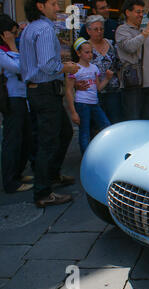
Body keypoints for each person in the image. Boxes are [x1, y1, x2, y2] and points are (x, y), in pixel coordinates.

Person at [20, 0, 79, 208]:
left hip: (37, 90)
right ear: (40, 6)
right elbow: (47, 65)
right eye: (53, 4)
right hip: (45, 91)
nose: (58, 8)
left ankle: (50, 176)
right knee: (49, 141)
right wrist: (67, 67)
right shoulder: (44, 28)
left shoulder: (30, 28)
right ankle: (43, 192)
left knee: (62, 133)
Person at [0, 14, 33, 193]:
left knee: (24, 137)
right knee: (12, 140)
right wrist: (13, 46)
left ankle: (18, 173)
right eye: (12, 33)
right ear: (4, 34)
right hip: (11, 98)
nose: (15, 35)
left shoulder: (9, 50)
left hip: (21, 97)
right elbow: (20, 67)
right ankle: (10, 181)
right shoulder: (2, 51)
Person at [65, 38, 113, 154]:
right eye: (86, 52)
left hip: (94, 103)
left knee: (106, 126)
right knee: (84, 132)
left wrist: (107, 79)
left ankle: (101, 152)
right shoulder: (74, 69)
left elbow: (98, 88)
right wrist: (73, 112)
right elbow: (68, 90)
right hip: (82, 104)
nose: (90, 55)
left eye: (91, 52)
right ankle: (86, 157)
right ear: (78, 53)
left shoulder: (94, 68)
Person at [115, 0, 149, 121]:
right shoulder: (122, 30)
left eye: (142, 12)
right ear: (128, 13)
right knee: (133, 121)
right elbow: (130, 47)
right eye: (138, 12)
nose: (141, 15)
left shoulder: (146, 32)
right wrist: (146, 32)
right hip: (132, 83)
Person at [84, 15, 122, 124]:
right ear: (88, 30)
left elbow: (118, 65)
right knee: (96, 125)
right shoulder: (85, 48)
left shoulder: (111, 44)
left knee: (114, 123)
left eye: (101, 29)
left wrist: (121, 84)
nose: (99, 32)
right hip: (94, 92)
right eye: (96, 29)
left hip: (113, 90)